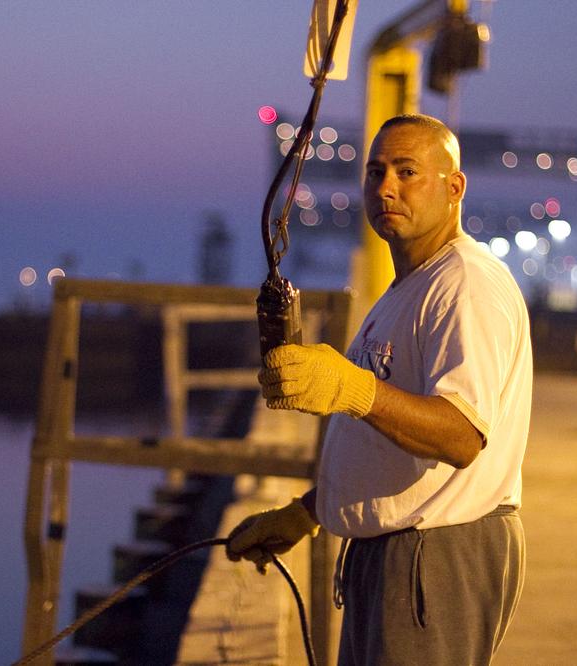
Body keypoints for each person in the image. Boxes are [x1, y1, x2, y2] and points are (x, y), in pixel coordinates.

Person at [226, 113, 533, 665]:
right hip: (397, 549)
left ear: (454, 187)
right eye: (375, 172)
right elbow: (387, 446)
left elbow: (462, 435)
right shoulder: (409, 287)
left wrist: (351, 387)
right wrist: (309, 513)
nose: (386, 187)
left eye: (407, 171)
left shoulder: (464, 285)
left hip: (435, 552)